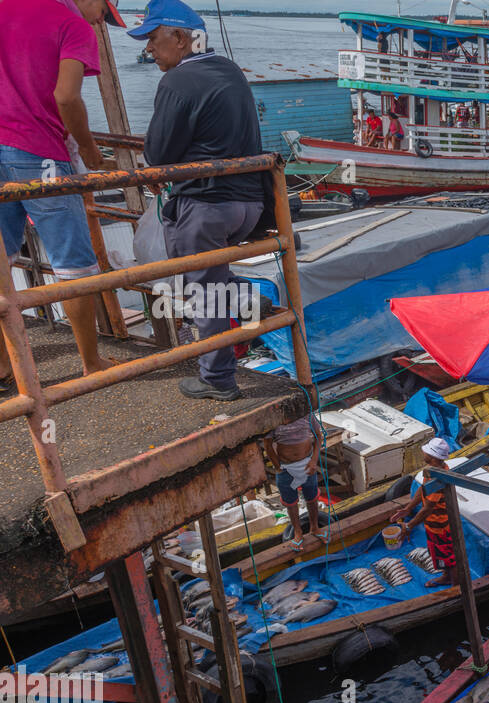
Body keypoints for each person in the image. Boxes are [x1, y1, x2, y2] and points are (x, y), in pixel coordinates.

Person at [132, 0, 265, 402]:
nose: (149, 49)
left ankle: (218, 380)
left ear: (180, 37)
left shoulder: (175, 82)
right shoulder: (230, 70)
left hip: (206, 205)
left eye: (154, 39)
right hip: (249, 204)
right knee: (212, 283)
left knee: (203, 293)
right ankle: (245, 297)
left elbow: (157, 155)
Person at [0, 0, 126, 389]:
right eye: (104, 13)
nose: (101, 23)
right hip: (39, 152)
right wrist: (90, 153)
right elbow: (67, 96)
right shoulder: (73, 26)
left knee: (2, 257)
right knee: (73, 263)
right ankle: (91, 362)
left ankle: (5, 365)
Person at [391, 437, 455, 586]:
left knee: (448, 557)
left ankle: (456, 585)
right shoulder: (432, 470)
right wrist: (408, 509)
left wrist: (409, 526)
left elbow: (428, 508)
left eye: (425, 452)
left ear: (432, 456)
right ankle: (446, 576)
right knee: (439, 554)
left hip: (441, 526)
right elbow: (423, 489)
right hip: (432, 525)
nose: (422, 454)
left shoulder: (438, 479)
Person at [263, 415, 323, 551]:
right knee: (290, 502)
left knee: (312, 497)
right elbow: (267, 445)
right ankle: (298, 532)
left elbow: (318, 436)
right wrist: (277, 466)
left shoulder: (307, 413)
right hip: (285, 468)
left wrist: (314, 461)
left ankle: (315, 527)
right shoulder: (274, 418)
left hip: (307, 463)